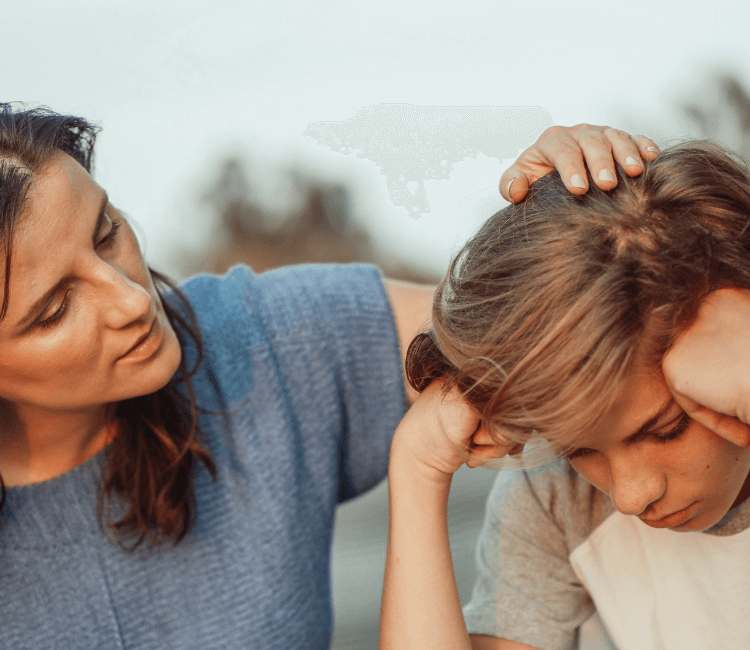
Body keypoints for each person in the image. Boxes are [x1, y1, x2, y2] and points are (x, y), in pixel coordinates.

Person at [0, 103, 656, 649]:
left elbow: (540, 327)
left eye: (107, 232)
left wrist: (581, 218)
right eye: (55, 308)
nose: (133, 302)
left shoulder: (260, 341)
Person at [380, 141, 750, 650]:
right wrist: (416, 471)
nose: (630, 494)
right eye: (579, 449)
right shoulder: (559, 499)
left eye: (666, 429)